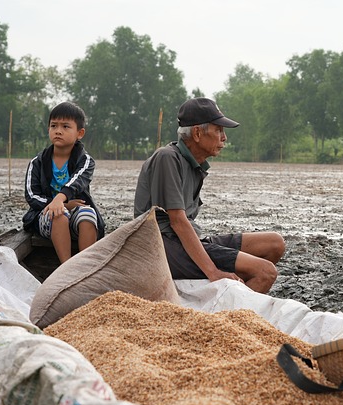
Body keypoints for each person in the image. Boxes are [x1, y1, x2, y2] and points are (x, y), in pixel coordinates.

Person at [134, 97, 285, 294]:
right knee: (265, 272)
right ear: (197, 133)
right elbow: (178, 222)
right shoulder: (167, 158)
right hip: (164, 247)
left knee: (274, 243)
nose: (224, 138)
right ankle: (230, 319)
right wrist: (213, 272)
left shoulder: (194, 165)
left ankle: (234, 295)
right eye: (218, 130)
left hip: (186, 241)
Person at [22, 101, 105, 263]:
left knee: (88, 214)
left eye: (65, 127)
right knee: (58, 214)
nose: (58, 131)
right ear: (48, 129)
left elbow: (77, 181)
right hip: (46, 217)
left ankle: (84, 267)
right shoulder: (37, 162)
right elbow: (31, 196)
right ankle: (66, 267)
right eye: (54, 126)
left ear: (79, 133)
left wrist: (61, 199)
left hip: (75, 216)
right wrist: (61, 205)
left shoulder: (85, 161)